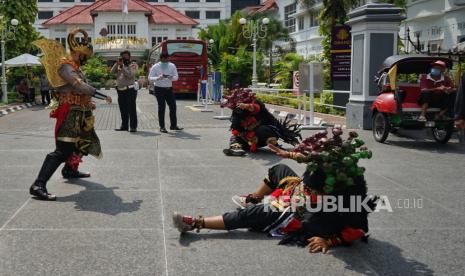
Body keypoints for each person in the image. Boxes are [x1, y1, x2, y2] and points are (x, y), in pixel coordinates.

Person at [173, 127, 378, 254]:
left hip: (300, 214)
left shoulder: (350, 198)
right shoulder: (328, 165)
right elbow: (308, 158)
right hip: (297, 193)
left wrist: (329, 240)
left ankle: (195, 223)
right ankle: (253, 197)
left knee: (254, 214)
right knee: (279, 169)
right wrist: (286, 154)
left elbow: (359, 230)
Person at [30, 28, 112, 201]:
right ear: (77, 53)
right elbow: (79, 86)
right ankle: (38, 184)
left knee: (85, 142)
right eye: (84, 56)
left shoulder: (75, 67)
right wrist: (102, 95)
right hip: (70, 112)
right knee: (63, 150)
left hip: (81, 112)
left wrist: (88, 101)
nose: (85, 59)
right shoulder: (65, 66)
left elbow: (82, 90)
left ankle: (70, 169)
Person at [221, 87, 301, 156]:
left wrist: (246, 106)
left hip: (264, 136)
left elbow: (255, 108)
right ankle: (236, 148)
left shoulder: (256, 104)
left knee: (262, 130)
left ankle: (275, 146)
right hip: (249, 140)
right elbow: (236, 128)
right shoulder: (237, 112)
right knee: (234, 138)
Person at [148, 52, 182, 133]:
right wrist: (158, 78)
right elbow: (150, 78)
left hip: (169, 89)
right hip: (159, 89)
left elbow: (176, 77)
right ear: (161, 58)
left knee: (173, 106)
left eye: (168, 59)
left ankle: (173, 125)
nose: (167, 60)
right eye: (165, 59)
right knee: (162, 107)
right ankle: (162, 127)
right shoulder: (155, 66)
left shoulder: (172, 65)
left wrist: (171, 77)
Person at [111, 51, 138, 132]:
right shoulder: (119, 65)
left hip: (130, 90)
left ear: (129, 57)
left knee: (131, 109)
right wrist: (117, 64)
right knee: (123, 109)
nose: (124, 58)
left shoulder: (133, 65)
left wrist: (122, 67)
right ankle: (124, 126)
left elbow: (130, 75)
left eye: (126, 56)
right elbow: (111, 72)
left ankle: (133, 127)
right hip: (120, 90)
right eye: (123, 56)